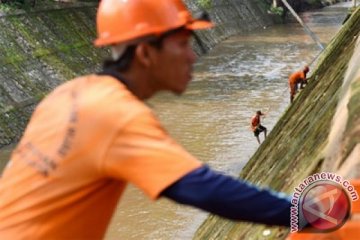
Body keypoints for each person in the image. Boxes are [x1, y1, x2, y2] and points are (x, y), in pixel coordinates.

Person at [0, 0, 292, 239]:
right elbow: (203, 189)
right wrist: (304, 211)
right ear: (145, 53)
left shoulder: (67, 94)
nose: (192, 57)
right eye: (182, 45)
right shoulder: (116, 114)